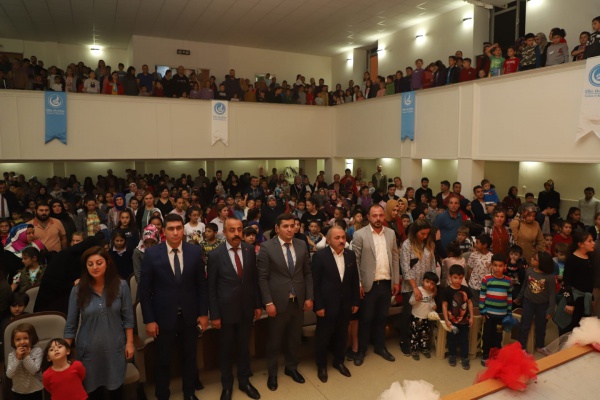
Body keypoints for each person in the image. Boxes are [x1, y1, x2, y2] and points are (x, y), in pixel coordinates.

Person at [140, 214, 208, 400]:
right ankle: (162, 394)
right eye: (171, 228)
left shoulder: (194, 251)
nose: (175, 232)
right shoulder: (152, 254)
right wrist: (149, 320)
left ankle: (189, 393)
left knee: (189, 358)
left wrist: (203, 313)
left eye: (179, 228)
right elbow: (144, 292)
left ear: (183, 230)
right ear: (163, 231)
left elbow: (201, 286)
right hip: (163, 317)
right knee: (163, 360)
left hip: (189, 316)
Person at [64, 246, 134, 399]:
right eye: (90, 264)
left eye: (99, 263)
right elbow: (71, 325)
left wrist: (129, 342)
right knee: (93, 392)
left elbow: (128, 318)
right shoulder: (78, 290)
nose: (95, 267)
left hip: (115, 348)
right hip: (89, 351)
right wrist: (64, 352)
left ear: (107, 263)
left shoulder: (121, 285)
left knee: (116, 391)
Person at [257, 213, 313, 391]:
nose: (290, 229)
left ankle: (291, 368)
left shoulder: (301, 244)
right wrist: (268, 302)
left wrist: (309, 297)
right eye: (285, 226)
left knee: (294, 339)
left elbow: (307, 273)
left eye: (292, 225)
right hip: (277, 303)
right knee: (274, 341)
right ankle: (272, 374)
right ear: (277, 228)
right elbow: (262, 277)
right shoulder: (267, 247)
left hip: (298, 301)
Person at [207, 218, 262, 400]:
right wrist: (214, 314)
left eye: (239, 229)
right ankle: (227, 385)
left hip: (246, 309)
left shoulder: (249, 250)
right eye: (232, 230)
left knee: (244, 347)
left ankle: (244, 381)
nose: (237, 233)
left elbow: (253, 280)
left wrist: (257, 304)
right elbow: (211, 288)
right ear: (224, 232)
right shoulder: (215, 255)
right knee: (226, 350)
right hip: (225, 312)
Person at [352, 205, 400, 365]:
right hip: (368, 284)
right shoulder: (360, 234)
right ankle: (361, 350)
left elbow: (395, 257)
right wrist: (358, 283)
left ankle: (380, 347)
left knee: (382, 317)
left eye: (380, 215)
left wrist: (395, 280)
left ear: (384, 216)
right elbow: (355, 261)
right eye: (374, 216)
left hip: (386, 282)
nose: (378, 218)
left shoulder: (391, 233)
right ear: (368, 217)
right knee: (366, 319)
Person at [312, 226, 360, 383]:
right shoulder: (320, 256)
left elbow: (354, 280)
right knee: (323, 337)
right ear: (328, 240)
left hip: (345, 303)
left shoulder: (350, 255)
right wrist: (318, 306)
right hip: (326, 305)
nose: (341, 240)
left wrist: (355, 301)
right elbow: (315, 284)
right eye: (337, 238)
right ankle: (321, 366)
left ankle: (339, 361)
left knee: (342, 335)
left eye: (343, 237)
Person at [515, 251, 555, 355]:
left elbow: (552, 294)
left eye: (535, 258)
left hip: (542, 305)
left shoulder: (549, 277)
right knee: (525, 325)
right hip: (528, 303)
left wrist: (550, 309)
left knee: (541, 327)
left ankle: (540, 346)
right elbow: (524, 286)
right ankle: (521, 347)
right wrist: (519, 297)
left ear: (542, 263)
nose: (532, 259)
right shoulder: (529, 271)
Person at [557, 231, 595, 335]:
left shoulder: (590, 257)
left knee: (581, 328)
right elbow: (566, 283)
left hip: (585, 299)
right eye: (590, 241)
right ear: (581, 244)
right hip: (574, 298)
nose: (593, 243)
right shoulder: (572, 259)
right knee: (569, 328)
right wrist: (569, 302)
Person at [479, 254, 512, 366]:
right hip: (489, 314)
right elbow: (482, 295)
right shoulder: (486, 279)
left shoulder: (508, 281)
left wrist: (509, 312)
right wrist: (482, 310)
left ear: (505, 266)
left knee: (498, 336)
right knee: (487, 335)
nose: (497, 268)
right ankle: (485, 354)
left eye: (500, 266)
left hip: (501, 315)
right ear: (491, 266)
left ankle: (496, 355)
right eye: (495, 265)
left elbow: (509, 297)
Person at [443, 264, 474, 370]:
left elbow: (470, 303)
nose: (458, 280)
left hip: (464, 321)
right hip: (452, 322)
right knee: (451, 339)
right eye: (455, 277)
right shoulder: (447, 291)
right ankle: (452, 355)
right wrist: (446, 320)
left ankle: (465, 357)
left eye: (460, 278)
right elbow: (444, 305)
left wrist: (471, 317)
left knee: (464, 339)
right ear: (450, 277)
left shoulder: (466, 289)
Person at [6, 323, 44, 399]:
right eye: (18, 339)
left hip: (36, 390)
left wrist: (26, 356)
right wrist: (17, 359)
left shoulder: (38, 351)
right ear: (13, 341)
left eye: (26, 338)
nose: (22, 342)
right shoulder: (12, 355)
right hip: (18, 391)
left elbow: (34, 371)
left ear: (32, 338)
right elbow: (9, 375)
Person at [409, 271, 438, 360]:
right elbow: (411, 302)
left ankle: (424, 348)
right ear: (423, 281)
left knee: (425, 334)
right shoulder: (418, 290)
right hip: (416, 317)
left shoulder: (431, 292)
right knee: (415, 334)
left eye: (432, 284)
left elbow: (431, 301)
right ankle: (414, 349)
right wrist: (416, 299)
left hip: (426, 318)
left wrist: (434, 305)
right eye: (427, 282)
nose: (429, 285)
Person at [466, 234, 493, 301]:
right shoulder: (473, 255)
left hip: (486, 287)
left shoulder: (492, 257)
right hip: (473, 285)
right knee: (475, 304)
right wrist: (468, 281)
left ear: (485, 245)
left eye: (477, 243)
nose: (475, 245)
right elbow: (470, 269)